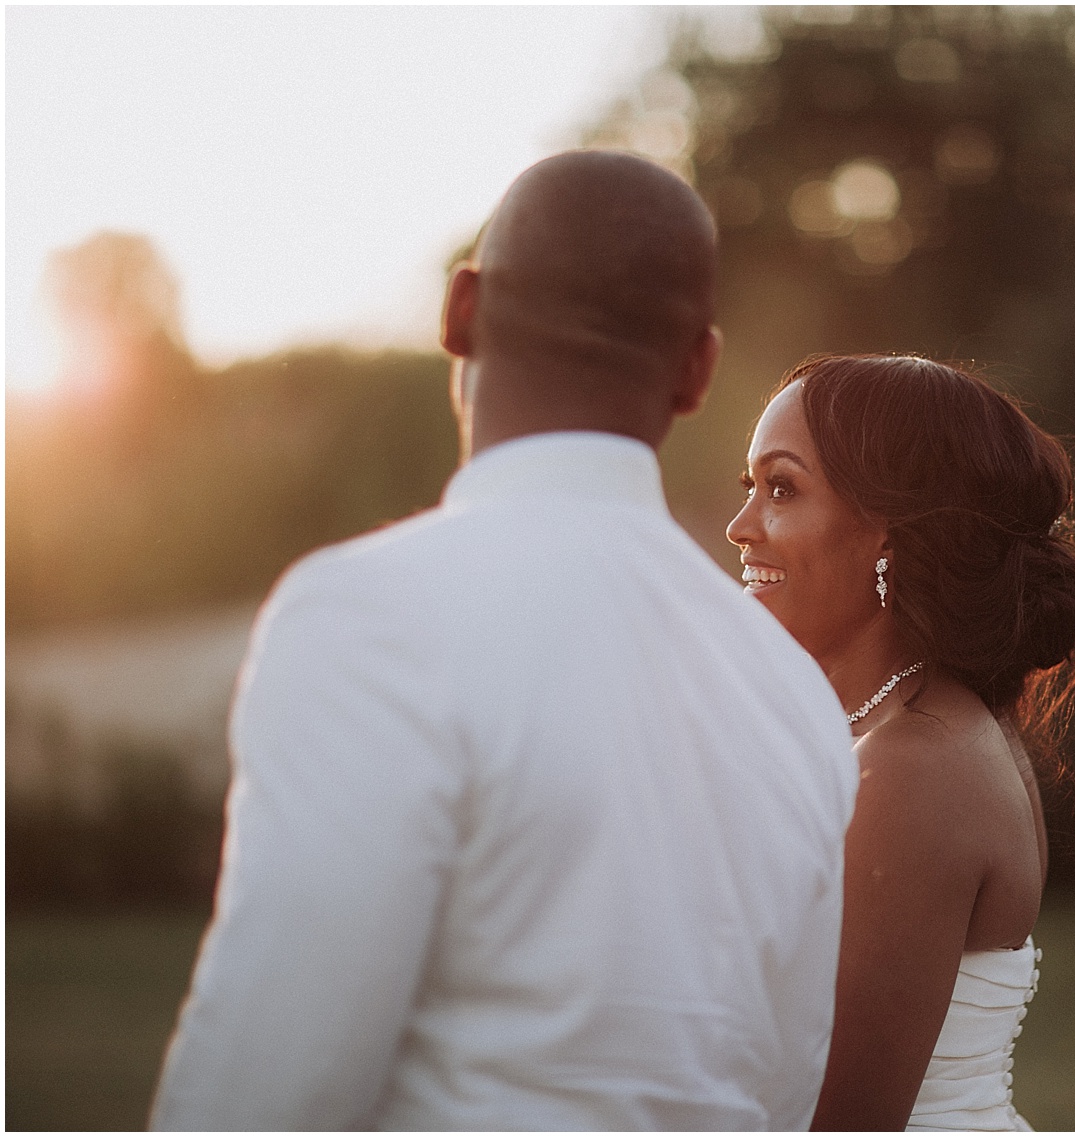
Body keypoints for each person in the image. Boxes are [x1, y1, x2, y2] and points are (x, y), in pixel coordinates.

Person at [150, 152, 860, 1130]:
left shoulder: (364, 618)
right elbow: (783, 1088)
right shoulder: (793, 697)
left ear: (460, 314)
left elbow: (270, 1081)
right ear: (697, 369)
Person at [726, 354, 1075, 1131]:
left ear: (886, 533)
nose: (741, 528)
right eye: (751, 488)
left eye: (782, 487)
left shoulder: (913, 767)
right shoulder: (918, 729)